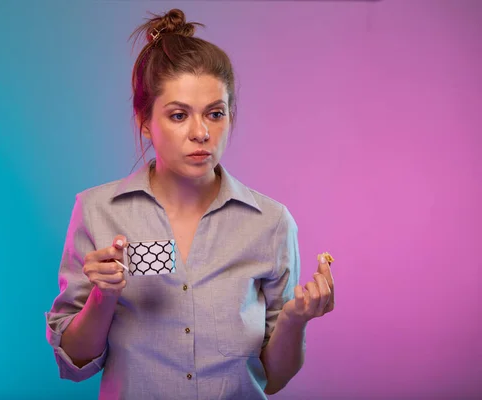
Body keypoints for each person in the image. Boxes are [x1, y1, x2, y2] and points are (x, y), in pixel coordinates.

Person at [45, 8, 335, 400]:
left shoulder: (271, 223)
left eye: (215, 114)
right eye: (179, 115)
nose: (201, 133)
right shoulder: (98, 211)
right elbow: (75, 363)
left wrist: (296, 320)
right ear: (145, 121)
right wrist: (103, 295)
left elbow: (275, 377)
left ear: (231, 116)